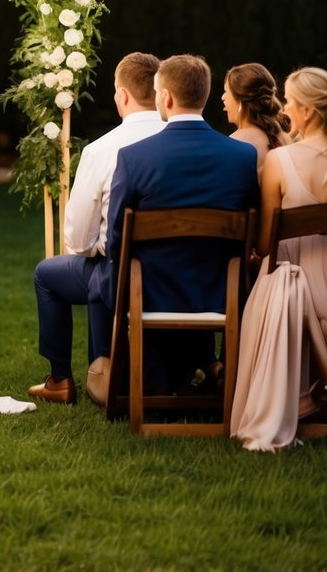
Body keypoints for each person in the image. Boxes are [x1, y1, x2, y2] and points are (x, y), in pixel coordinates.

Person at [98, 54, 260, 392]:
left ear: (167, 97)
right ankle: (198, 371)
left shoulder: (134, 157)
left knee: (100, 280)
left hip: (151, 294)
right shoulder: (242, 157)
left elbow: (116, 236)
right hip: (223, 293)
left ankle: (134, 381)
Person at [29, 52, 162, 405]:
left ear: (122, 95)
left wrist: (90, 250)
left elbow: (77, 238)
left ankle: (60, 379)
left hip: (117, 273)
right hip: (180, 271)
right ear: (164, 93)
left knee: (47, 273)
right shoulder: (184, 143)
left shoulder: (103, 149)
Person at [231, 66, 327, 451]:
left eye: (289, 101)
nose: (284, 109)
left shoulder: (280, 161)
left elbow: (267, 245)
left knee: (271, 274)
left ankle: (295, 396)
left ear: (306, 111)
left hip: (299, 297)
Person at [222, 62, 290, 172]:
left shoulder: (235, 143)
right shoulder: (285, 138)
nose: (223, 97)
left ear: (240, 101)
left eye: (226, 91)